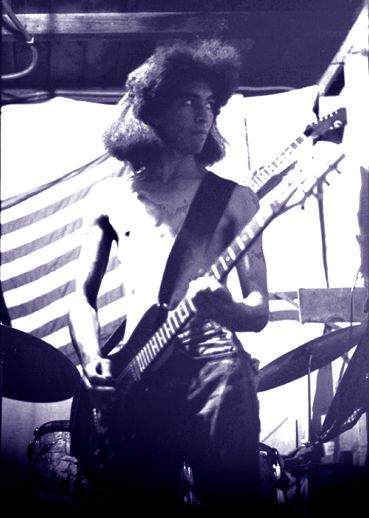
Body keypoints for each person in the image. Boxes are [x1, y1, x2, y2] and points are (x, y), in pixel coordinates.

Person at [68, 38, 269, 515]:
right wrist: (92, 358)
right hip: (136, 376)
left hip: (216, 371)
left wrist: (228, 309)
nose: (205, 116)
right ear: (153, 109)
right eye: (189, 101)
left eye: (211, 104)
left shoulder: (236, 199)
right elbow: (81, 295)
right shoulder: (108, 198)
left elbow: (259, 310)